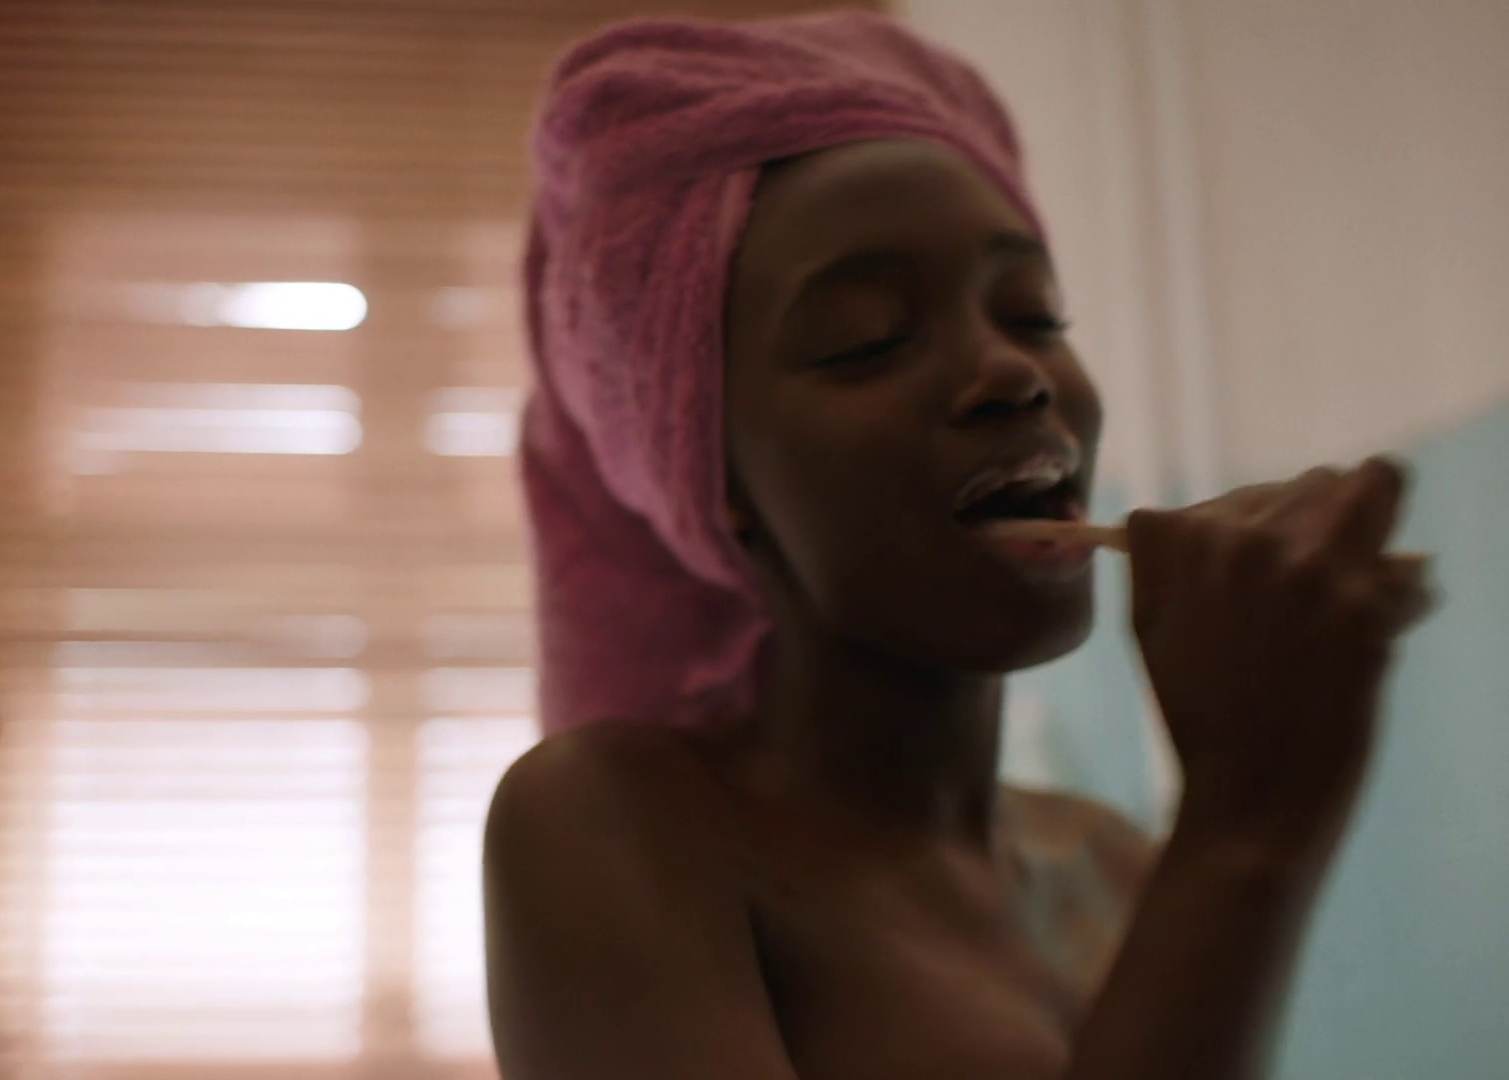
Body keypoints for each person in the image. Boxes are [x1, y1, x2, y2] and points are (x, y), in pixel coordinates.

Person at [484, 12, 1432, 1080]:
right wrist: (1243, 830)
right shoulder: (615, 825)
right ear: (718, 472)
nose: (1013, 374)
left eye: (1035, 316)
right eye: (869, 339)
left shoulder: (1116, 864)